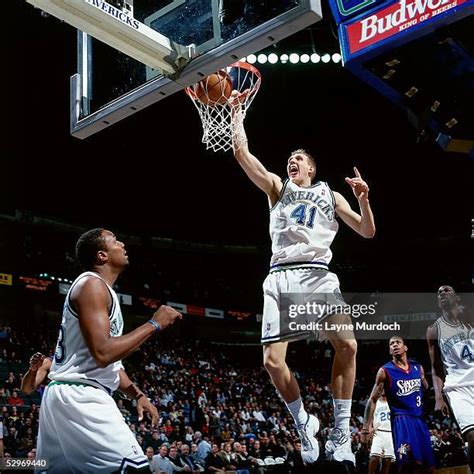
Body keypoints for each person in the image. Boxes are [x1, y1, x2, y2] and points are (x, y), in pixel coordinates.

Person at [230, 103, 375, 465]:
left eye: (299, 159)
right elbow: (241, 153)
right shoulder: (277, 189)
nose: (292, 161)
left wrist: (364, 200)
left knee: (349, 346)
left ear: (312, 168)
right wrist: (236, 115)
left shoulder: (331, 194)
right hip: (281, 276)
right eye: (290, 158)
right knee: (272, 363)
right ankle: (303, 422)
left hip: (318, 275)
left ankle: (341, 431)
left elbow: (367, 231)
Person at [36, 228, 182, 473]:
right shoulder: (92, 285)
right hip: (81, 397)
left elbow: (111, 363)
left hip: (69, 394)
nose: (123, 243)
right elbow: (103, 353)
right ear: (102, 256)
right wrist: (155, 324)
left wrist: (138, 395)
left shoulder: (101, 290)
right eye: (116, 240)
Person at [362, 336, 435, 473]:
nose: (394, 345)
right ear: (390, 350)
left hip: (419, 419)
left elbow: (426, 387)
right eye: (391, 344)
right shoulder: (385, 371)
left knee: (428, 466)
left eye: (398, 342)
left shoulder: (417, 368)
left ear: (405, 347)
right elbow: (372, 399)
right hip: (401, 420)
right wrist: (366, 427)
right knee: (408, 462)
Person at [426, 285, 474, 472]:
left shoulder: (470, 316)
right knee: (472, 436)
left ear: (458, 298)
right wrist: (438, 397)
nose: (442, 293)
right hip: (457, 387)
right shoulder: (434, 330)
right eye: (438, 292)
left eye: (447, 290)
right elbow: (436, 366)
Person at [365, 391, 395, 474]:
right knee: (374, 457)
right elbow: (369, 416)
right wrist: (369, 427)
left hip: (390, 433)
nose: (383, 390)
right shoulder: (375, 402)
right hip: (378, 433)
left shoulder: (393, 402)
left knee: (387, 460)